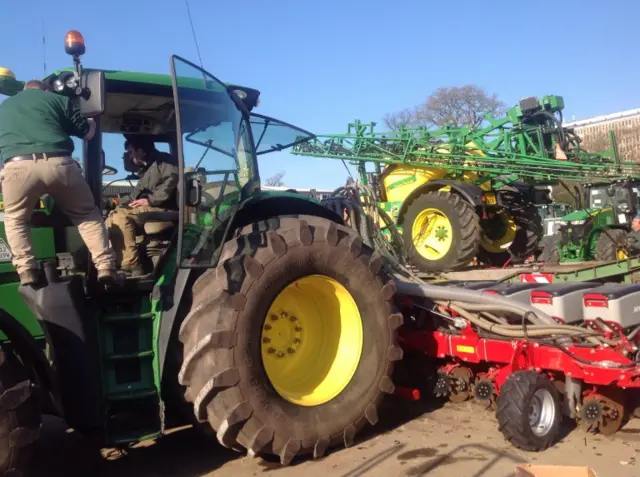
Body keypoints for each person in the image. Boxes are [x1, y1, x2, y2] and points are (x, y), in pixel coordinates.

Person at [0, 79, 116, 286]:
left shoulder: (4, 107)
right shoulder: (58, 100)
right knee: (86, 215)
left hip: (16, 167)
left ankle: (26, 269)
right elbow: (88, 134)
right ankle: (105, 266)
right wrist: (90, 120)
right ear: (46, 90)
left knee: (16, 219)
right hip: (58, 163)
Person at [105, 136, 178, 276]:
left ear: (142, 151)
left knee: (122, 215)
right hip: (152, 206)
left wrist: (150, 200)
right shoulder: (145, 170)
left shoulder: (164, 161)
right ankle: (120, 263)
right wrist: (112, 202)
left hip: (164, 207)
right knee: (114, 215)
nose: (130, 155)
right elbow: (134, 196)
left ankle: (131, 264)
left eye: (131, 152)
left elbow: (171, 182)